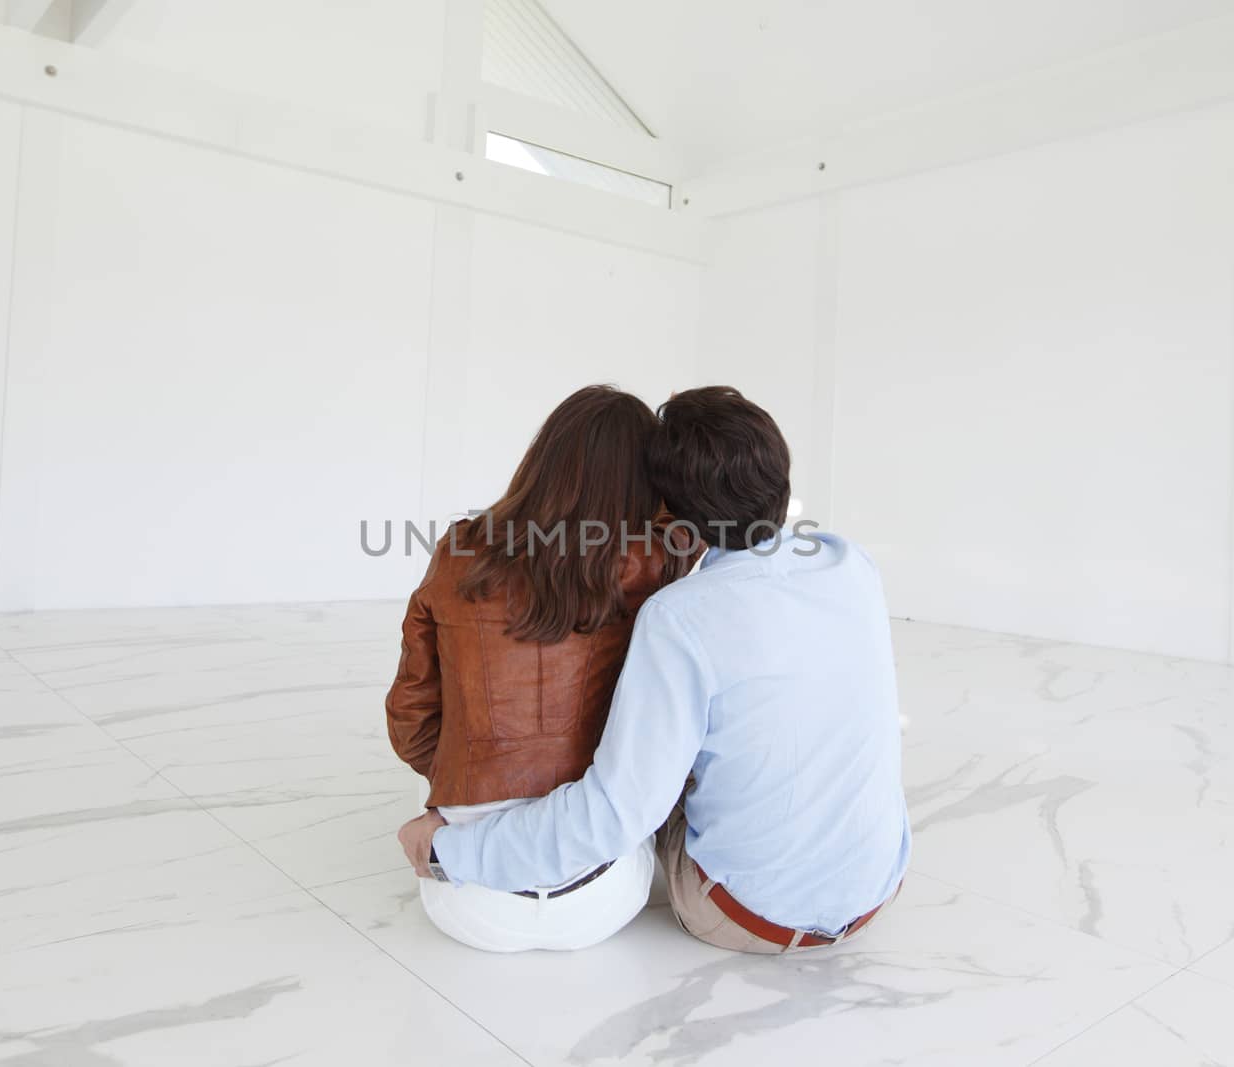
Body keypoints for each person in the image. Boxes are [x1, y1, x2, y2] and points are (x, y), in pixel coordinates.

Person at [399, 386, 910, 954]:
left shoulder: (677, 614)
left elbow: (615, 813)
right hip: (876, 891)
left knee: (659, 759)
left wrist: (451, 842)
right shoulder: (850, 564)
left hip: (741, 917)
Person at [385, 385, 687, 952]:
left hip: (462, 894)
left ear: (541, 457)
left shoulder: (459, 552)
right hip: (608, 894)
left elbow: (411, 720)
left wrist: (463, 771)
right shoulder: (659, 561)